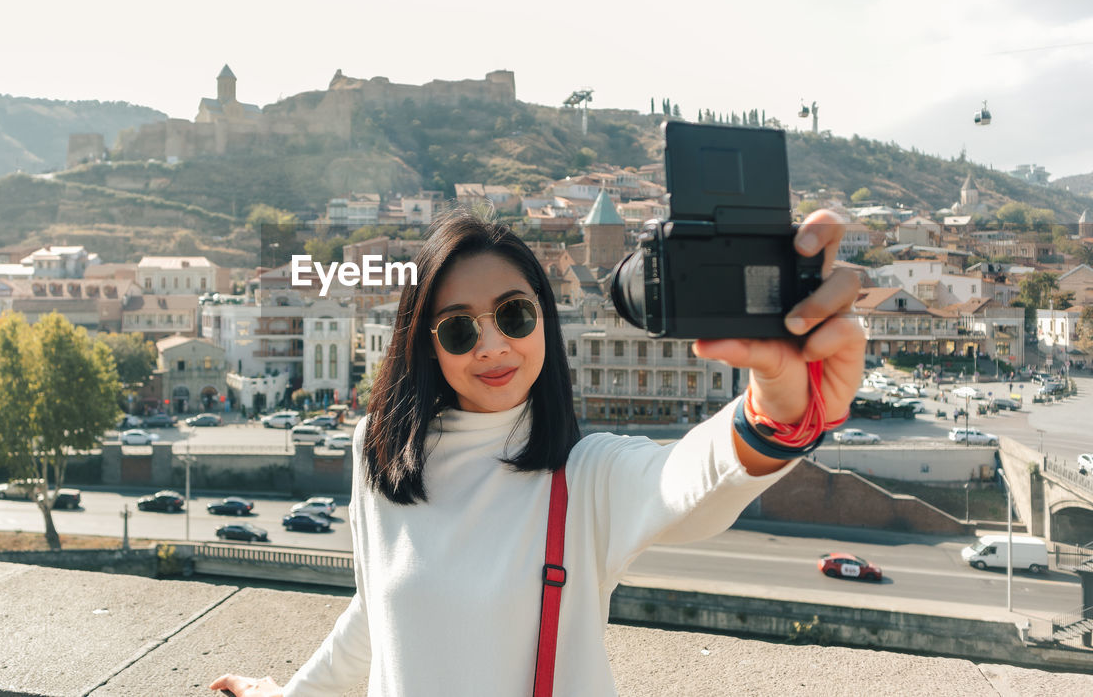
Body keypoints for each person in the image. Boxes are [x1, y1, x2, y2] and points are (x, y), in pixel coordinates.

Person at [212, 207, 864, 697]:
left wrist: (776, 411)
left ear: (545, 321)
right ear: (425, 342)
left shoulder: (586, 474)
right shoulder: (374, 452)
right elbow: (377, 611)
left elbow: (686, 483)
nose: (493, 345)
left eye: (515, 315)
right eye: (460, 328)